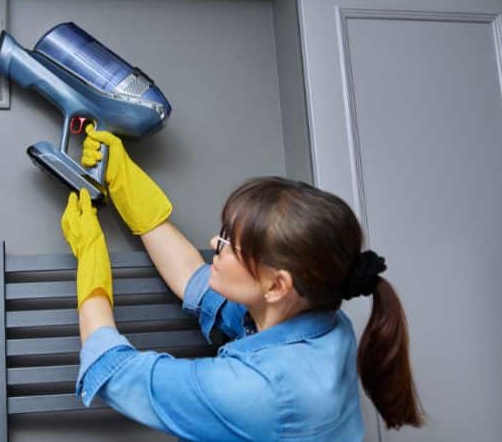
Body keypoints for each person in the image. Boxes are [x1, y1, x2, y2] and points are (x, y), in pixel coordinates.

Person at [60, 125, 425, 441]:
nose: (214, 245)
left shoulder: (261, 391)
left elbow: (115, 373)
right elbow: (193, 277)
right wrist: (126, 182)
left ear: (278, 285)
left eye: (229, 244)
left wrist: (90, 257)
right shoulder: (317, 319)